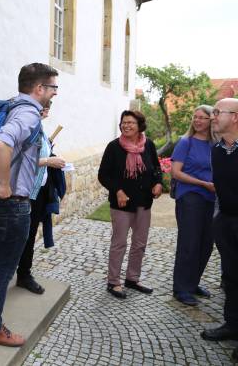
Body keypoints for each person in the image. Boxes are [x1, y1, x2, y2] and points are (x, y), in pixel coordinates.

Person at [0, 63, 59, 347]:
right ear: (39, 88)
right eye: (53, 88)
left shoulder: (12, 105)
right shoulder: (28, 112)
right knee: (5, 266)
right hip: (11, 202)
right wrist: (5, 184)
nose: (55, 94)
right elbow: (1, 143)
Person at [98, 110, 162, 299]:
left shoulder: (148, 145)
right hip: (122, 204)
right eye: (123, 123)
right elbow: (103, 175)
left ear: (139, 125)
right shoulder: (114, 147)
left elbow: (156, 167)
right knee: (119, 243)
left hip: (144, 201)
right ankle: (113, 282)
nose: (126, 126)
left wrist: (158, 183)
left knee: (140, 243)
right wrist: (117, 190)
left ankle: (133, 279)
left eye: (130, 123)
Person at [201, 98, 238, 361]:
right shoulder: (217, 150)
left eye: (217, 112)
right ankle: (232, 324)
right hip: (226, 221)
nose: (213, 116)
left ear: (235, 117)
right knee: (231, 277)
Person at [16, 102, 66, 294]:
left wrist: (48, 151)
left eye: (48, 108)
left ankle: (24, 274)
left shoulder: (40, 129)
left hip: (39, 191)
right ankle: (12, 275)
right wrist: (48, 160)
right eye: (43, 107)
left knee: (29, 236)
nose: (46, 111)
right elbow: (18, 160)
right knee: (19, 238)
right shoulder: (25, 129)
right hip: (24, 192)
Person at [171, 105, 216, 306]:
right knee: (189, 243)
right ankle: (181, 289)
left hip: (211, 199)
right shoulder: (185, 142)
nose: (197, 121)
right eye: (195, 117)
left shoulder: (217, 144)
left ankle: (193, 282)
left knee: (206, 244)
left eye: (202, 118)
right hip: (190, 196)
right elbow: (176, 173)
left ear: (211, 121)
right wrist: (203, 183)